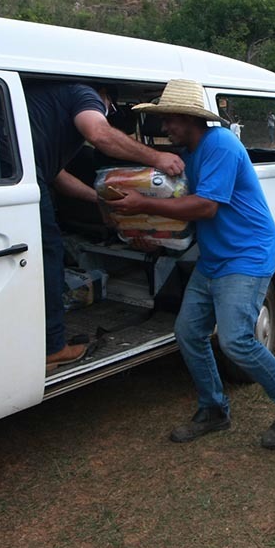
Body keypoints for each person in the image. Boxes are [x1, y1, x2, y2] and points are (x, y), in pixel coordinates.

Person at [105, 79, 275, 450]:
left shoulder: (220, 145)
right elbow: (174, 192)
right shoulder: (188, 152)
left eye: (170, 120)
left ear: (190, 119)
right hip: (215, 256)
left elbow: (205, 206)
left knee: (236, 340)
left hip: (246, 256)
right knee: (189, 333)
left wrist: (143, 205)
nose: (165, 128)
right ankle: (214, 409)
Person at [25, 79, 184, 369]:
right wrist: (157, 156)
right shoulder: (84, 93)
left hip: (9, 167)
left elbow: (58, 177)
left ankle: (33, 337)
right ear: (104, 94)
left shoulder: (46, 108)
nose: (109, 113)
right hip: (21, 175)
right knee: (48, 253)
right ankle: (52, 346)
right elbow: (99, 134)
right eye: (109, 107)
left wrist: (99, 199)